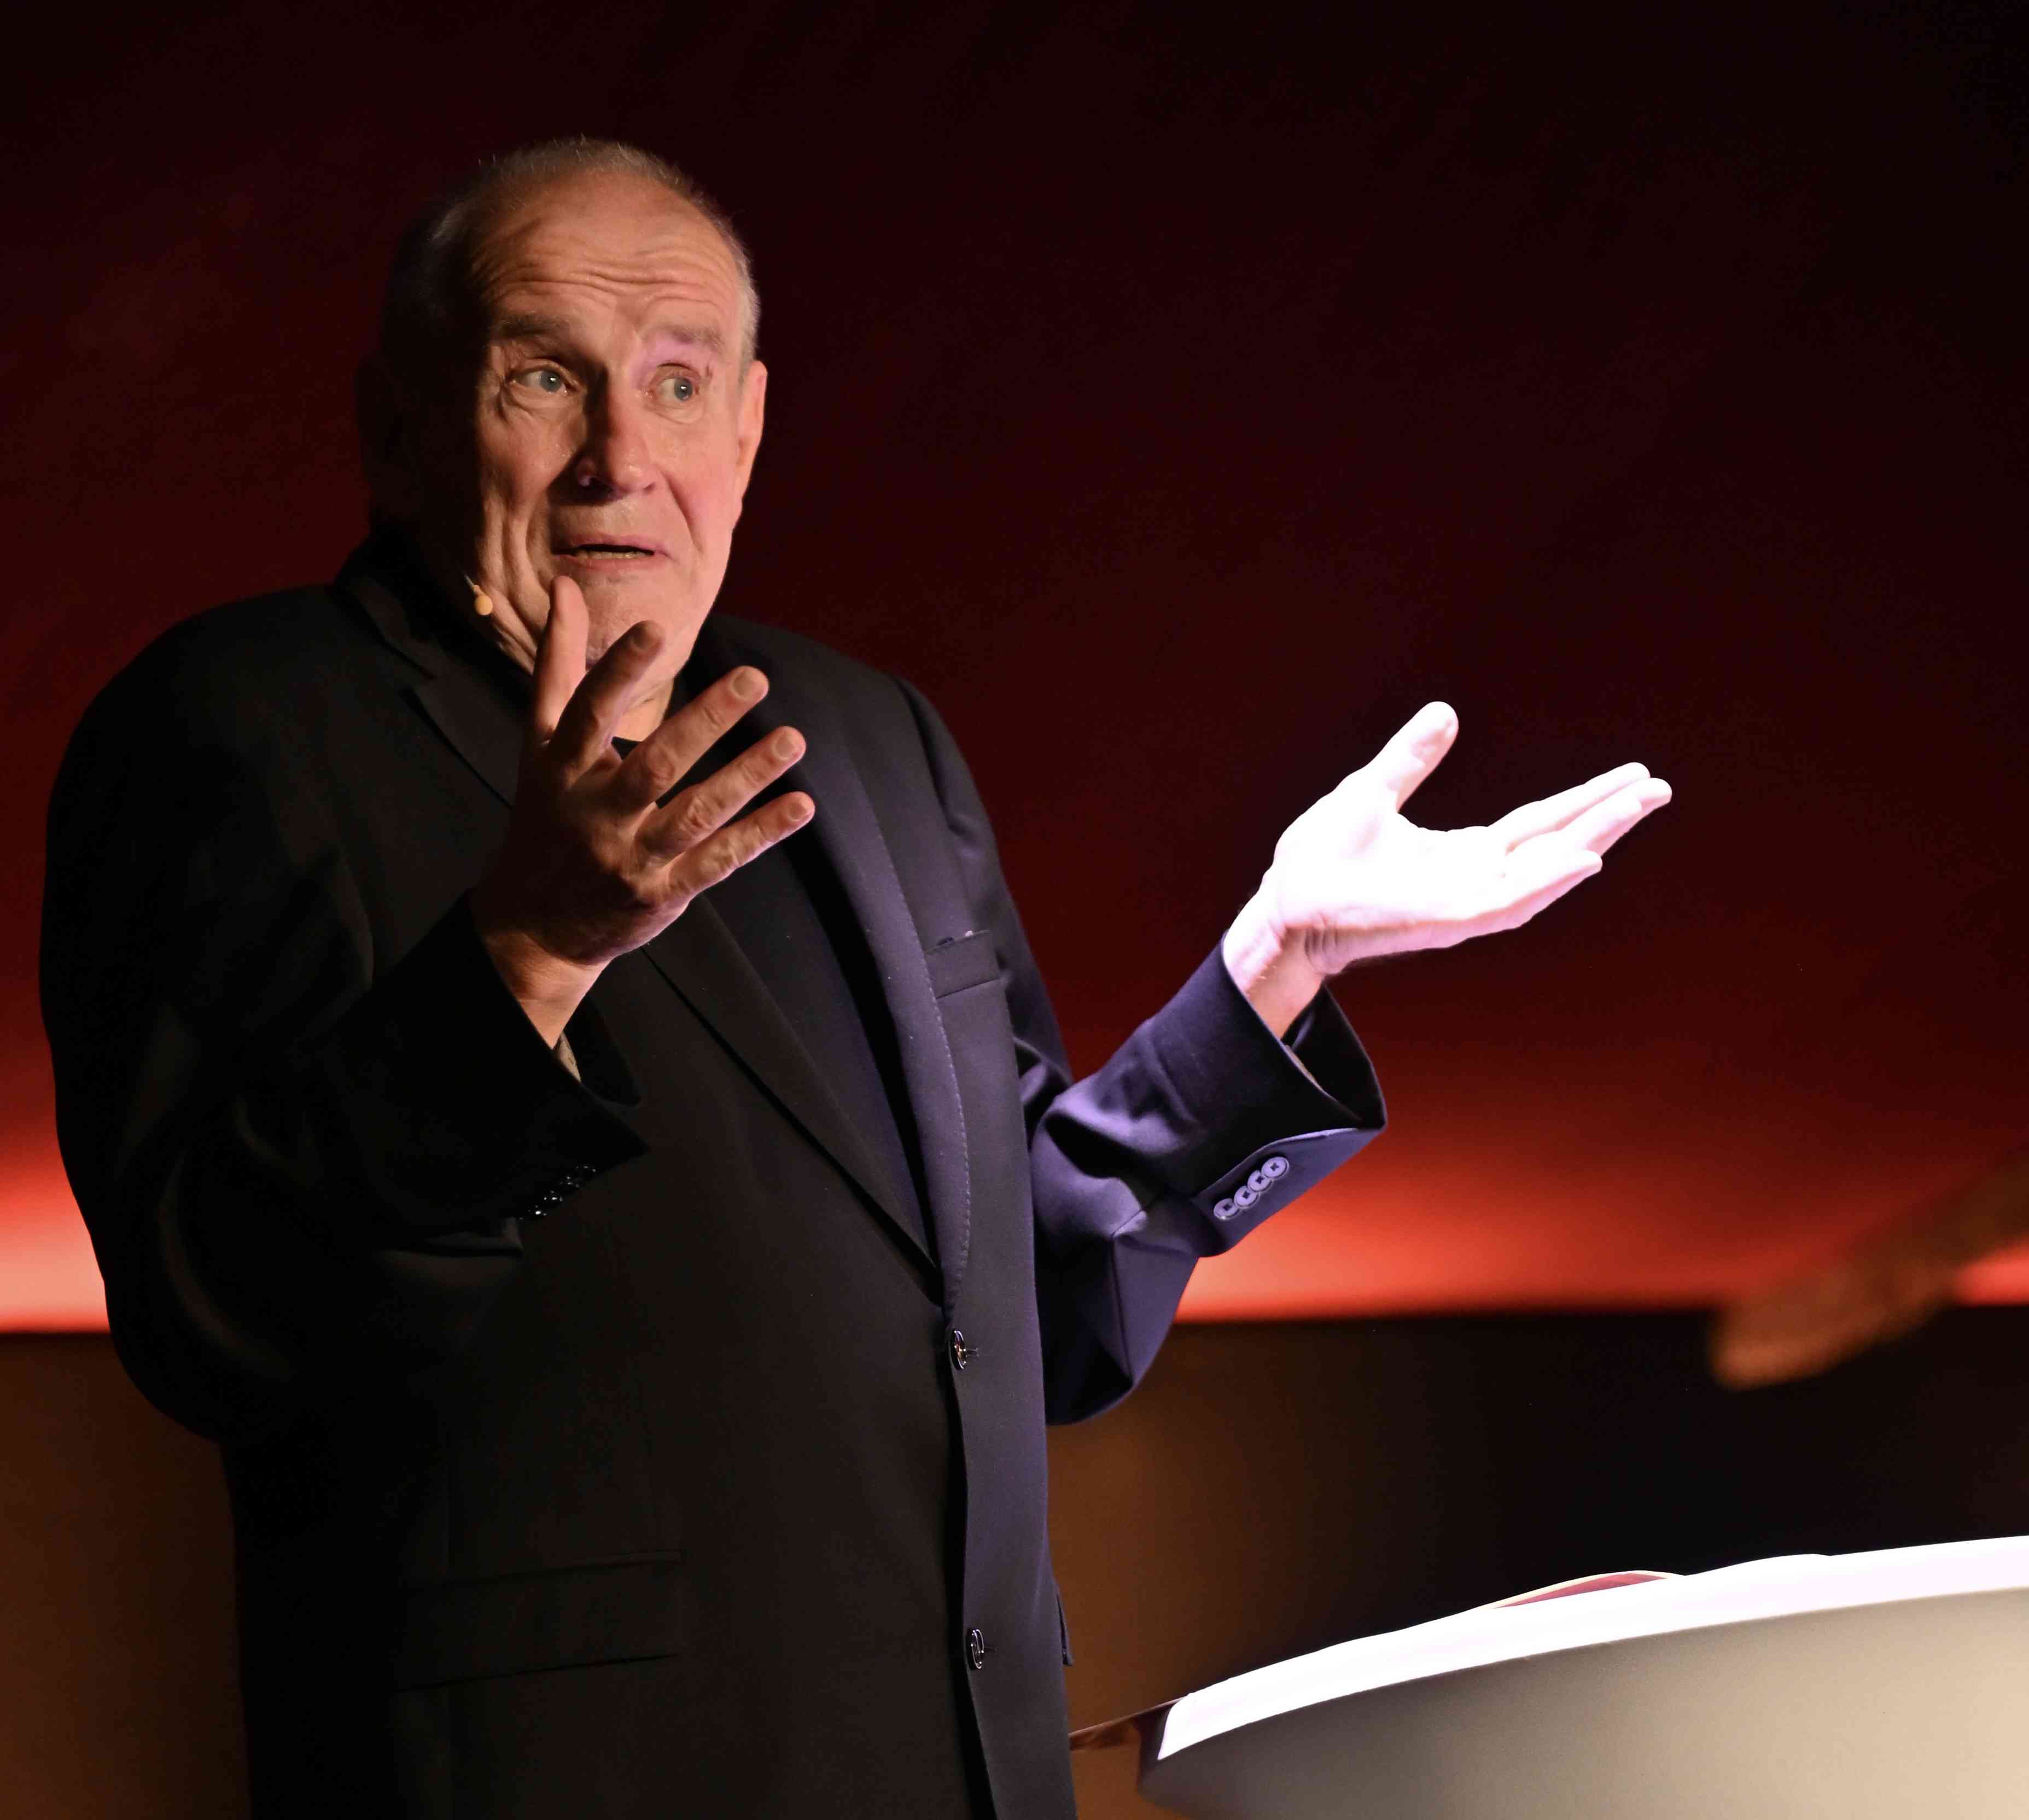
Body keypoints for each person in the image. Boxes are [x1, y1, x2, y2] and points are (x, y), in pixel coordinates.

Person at [39, 139, 1670, 1818]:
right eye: (544, 376)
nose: (620, 458)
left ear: (746, 432)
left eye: (677, 385)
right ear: (396, 427)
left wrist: (1274, 963)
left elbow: (1029, 1313)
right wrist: (527, 954)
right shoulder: (240, 725)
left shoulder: (869, 738)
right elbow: (213, 1319)